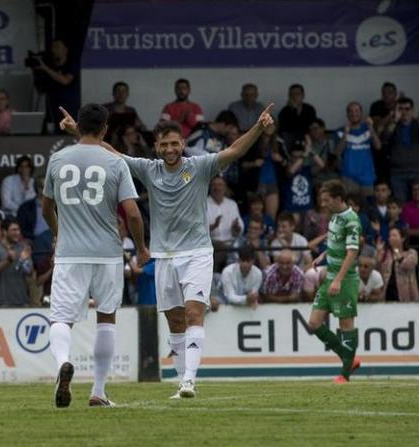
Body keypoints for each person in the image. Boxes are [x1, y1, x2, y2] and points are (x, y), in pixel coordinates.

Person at [61, 99, 274, 399]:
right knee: (174, 320)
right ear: (157, 146)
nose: (170, 149)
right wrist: (77, 133)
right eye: (165, 145)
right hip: (164, 257)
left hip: (198, 253)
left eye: (175, 143)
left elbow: (235, 151)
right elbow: (110, 153)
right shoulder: (149, 170)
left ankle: (189, 381)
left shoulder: (199, 167)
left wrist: (258, 128)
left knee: (192, 314)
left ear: (183, 143)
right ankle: (181, 381)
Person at [41, 103, 147, 408]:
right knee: (106, 319)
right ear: (105, 129)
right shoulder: (115, 162)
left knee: (61, 317)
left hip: (70, 252)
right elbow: (133, 215)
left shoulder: (58, 159)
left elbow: (47, 207)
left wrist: (60, 232)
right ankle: (98, 391)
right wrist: (140, 248)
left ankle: (63, 361)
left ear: (80, 126)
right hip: (108, 254)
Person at [305, 180, 362, 383]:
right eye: (322, 199)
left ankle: (345, 375)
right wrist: (323, 256)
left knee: (345, 324)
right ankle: (350, 359)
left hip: (344, 280)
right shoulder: (334, 218)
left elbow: (352, 251)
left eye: (327, 200)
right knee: (313, 323)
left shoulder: (352, 220)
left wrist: (338, 279)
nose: (323, 203)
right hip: (330, 278)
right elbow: (336, 243)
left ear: (339, 198)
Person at [0, 219, 34, 308]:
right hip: (1, 301)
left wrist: (22, 261)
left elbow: (29, 272)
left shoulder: (23, 247)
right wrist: (8, 261)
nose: (18, 233)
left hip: (21, 300)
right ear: (4, 232)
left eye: (18, 230)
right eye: (14, 230)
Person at [335, 102, 381, 198]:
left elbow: (378, 146)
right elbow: (337, 152)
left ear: (361, 113)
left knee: (367, 208)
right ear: (347, 114)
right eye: (350, 111)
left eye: (356, 111)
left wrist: (371, 128)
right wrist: (346, 133)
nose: (353, 114)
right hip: (348, 176)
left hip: (367, 175)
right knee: (349, 208)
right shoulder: (340, 131)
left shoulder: (368, 129)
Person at [33, 39, 78, 130]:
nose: (53, 50)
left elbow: (65, 80)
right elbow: (40, 90)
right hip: (51, 109)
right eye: (52, 47)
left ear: (65, 49)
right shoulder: (50, 66)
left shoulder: (71, 65)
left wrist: (45, 68)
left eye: (57, 47)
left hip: (69, 109)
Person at [385, 97, 418, 203]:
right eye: (400, 109)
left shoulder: (417, 125)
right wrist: (395, 120)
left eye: (407, 109)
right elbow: (385, 138)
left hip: (416, 170)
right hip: (397, 173)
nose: (404, 112)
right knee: (401, 205)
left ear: (412, 110)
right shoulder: (393, 125)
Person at [207, 175, 243, 272]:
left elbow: (240, 229)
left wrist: (236, 227)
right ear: (210, 187)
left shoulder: (232, 204)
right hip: (212, 244)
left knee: (241, 246)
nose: (217, 188)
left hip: (230, 243)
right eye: (214, 185)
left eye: (220, 185)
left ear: (225, 187)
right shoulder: (204, 204)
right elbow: (198, 230)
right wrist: (213, 226)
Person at [375, 226, 419, 302]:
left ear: (402, 238)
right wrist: (378, 255)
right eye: (390, 236)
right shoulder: (386, 254)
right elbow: (378, 271)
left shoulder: (411, 253)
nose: (391, 238)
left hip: (405, 293)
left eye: (394, 235)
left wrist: (396, 250)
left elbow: (407, 265)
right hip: (387, 292)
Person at [277, 83, 317, 147]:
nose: (294, 97)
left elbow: (310, 126)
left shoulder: (309, 109)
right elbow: (286, 128)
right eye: (292, 94)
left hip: (306, 137)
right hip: (289, 138)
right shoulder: (285, 111)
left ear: (303, 95)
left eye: (297, 94)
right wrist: (294, 110)